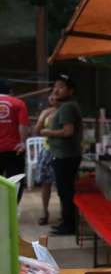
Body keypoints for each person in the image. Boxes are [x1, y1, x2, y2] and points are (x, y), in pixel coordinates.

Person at [41, 74, 83, 235]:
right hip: (65, 155)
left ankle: (68, 225)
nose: (56, 89)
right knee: (64, 190)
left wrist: (47, 131)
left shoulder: (67, 107)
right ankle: (66, 222)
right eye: (55, 86)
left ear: (70, 91)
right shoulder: (66, 106)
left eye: (61, 86)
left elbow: (68, 131)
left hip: (66, 156)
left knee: (65, 191)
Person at [0, 79, 29, 200]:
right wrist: (22, 143)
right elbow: (22, 126)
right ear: (11, 91)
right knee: (15, 181)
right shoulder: (18, 103)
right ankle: (12, 209)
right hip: (14, 149)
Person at [33, 94, 59, 225]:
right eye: (51, 94)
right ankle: (45, 211)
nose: (52, 97)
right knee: (45, 183)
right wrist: (43, 117)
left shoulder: (65, 110)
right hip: (47, 150)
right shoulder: (46, 112)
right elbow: (37, 130)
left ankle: (66, 213)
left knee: (62, 185)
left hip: (61, 151)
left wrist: (47, 131)